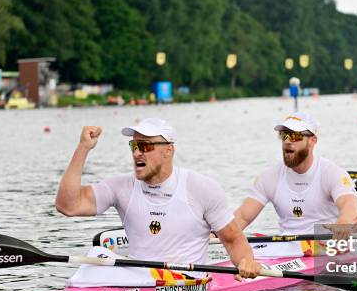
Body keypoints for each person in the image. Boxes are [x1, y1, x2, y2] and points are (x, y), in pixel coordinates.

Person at [55, 117, 261, 281]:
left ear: (168, 150)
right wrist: (83, 148)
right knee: (98, 254)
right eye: (134, 145)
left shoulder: (202, 188)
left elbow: (233, 240)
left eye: (145, 146)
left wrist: (246, 262)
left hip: (186, 283)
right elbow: (68, 205)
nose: (136, 153)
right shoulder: (120, 187)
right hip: (137, 279)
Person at [234, 111, 357, 236]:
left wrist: (343, 223)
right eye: (284, 135)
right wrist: (216, 235)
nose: (287, 141)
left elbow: (349, 206)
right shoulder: (269, 177)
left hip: (325, 244)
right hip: (286, 246)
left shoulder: (332, 173)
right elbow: (243, 217)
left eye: (294, 136)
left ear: (312, 141)